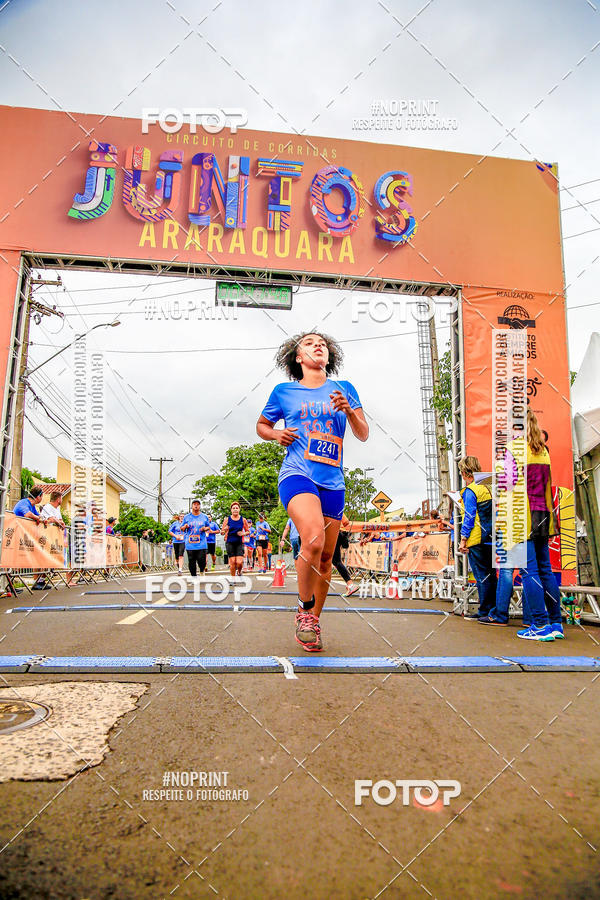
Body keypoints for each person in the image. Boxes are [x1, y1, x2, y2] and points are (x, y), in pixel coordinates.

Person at [257, 331, 368, 652]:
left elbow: (362, 434)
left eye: (322, 343)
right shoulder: (284, 391)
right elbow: (261, 425)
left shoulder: (344, 389)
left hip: (332, 480)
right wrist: (275, 434)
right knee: (314, 539)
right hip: (297, 474)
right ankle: (305, 606)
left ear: (329, 355)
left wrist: (349, 411)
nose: (317, 345)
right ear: (297, 357)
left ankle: (312, 621)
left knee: (327, 558)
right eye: (308, 342)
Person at [480, 410, 562, 641]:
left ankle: (538, 624)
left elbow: (505, 486)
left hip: (520, 516)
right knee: (545, 570)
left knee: (529, 571)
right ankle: (556, 623)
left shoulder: (512, 450)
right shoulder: (542, 449)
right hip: (543, 513)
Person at [456, 456, 496, 619]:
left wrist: (463, 538)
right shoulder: (488, 486)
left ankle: (485, 611)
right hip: (492, 536)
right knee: (492, 574)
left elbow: (469, 516)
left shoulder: (469, 491)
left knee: (482, 576)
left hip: (476, 537)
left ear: (465, 472)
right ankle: (495, 610)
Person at [181, 500, 210, 577]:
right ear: (192, 506)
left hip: (201, 543)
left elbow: (208, 527)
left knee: (201, 560)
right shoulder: (187, 517)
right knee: (191, 561)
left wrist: (205, 528)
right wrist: (185, 526)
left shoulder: (204, 517)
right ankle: (193, 576)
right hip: (190, 543)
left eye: (198, 504)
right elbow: (182, 528)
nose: (196, 506)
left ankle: (201, 571)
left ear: (200, 506)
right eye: (194, 504)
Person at [332, 514, 358, 597]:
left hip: (331, 532)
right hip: (340, 532)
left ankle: (350, 585)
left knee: (334, 561)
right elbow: (346, 522)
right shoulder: (337, 506)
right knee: (335, 561)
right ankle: (350, 584)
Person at [221, 501, 249, 577]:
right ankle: (233, 579)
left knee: (239, 562)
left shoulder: (243, 520)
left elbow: (248, 531)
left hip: (239, 542)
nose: (235, 509)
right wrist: (225, 530)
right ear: (231, 510)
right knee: (232, 562)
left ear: (239, 509)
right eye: (233, 508)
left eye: (237, 508)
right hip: (230, 542)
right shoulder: (227, 519)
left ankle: (239, 572)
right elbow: (222, 532)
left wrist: (243, 533)